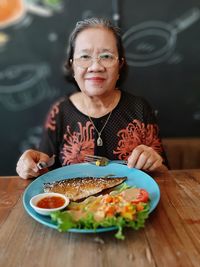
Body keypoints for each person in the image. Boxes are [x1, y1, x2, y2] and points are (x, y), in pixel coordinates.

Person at [16, 17, 167, 179]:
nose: (95, 67)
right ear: (72, 65)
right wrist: (29, 167)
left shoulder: (140, 108)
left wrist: (154, 164)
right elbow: (42, 171)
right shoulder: (60, 112)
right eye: (85, 56)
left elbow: (165, 173)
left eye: (106, 56)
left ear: (120, 66)